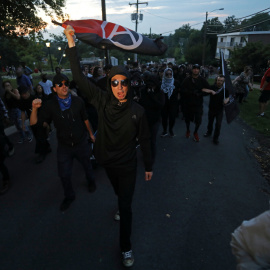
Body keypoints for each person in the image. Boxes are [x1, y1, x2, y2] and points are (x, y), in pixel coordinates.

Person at [64, 25, 153, 268]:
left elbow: (145, 139)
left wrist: (149, 164)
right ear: (109, 84)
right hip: (106, 160)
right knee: (118, 193)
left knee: (126, 206)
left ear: (129, 84)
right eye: (115, 83)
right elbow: (79, 78)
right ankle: (120, 202)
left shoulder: (138, 111)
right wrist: (72, 42)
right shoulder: (101, 100)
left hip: (127, 164)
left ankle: (126, 247)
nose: (120, 87)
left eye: (124, 82)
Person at [30, 73, 96, 211]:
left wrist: (90, 134)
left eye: (66, 83)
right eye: (60, 84)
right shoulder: (50, 105)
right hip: (64, 146)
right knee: (64, 174)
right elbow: (35, 124)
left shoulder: (78, 101)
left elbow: (85, 119)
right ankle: (69, 196)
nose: (64, 86)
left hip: (81, 142)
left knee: (87, 165)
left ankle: (91, 181)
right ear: (54, 88)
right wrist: (35, 109)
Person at [181, 64, 215, 142]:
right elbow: (182, 89)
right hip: (188, 103)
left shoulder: (202, 80)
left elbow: (208, 89)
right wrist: (191, 92)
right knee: (187, 119)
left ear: (199, 70)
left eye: (197, 69)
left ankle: (195, 132)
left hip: (198, 104)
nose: (196, 70)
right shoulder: (187, 80)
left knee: (198, 120)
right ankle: (188, 130)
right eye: (194, 69)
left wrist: (200, 94)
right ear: (192, 70)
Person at [203, 75, 229, 145]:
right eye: (218, 80)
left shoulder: (225, 90)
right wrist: (211, 91)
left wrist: (226, 100)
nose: (219, 82)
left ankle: (215, 138)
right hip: (211, 108)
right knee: (210, 122)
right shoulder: (212, 87)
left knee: (218, 124)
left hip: (219, 110)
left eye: (221, 81)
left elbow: (228, 97)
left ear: (223, 82)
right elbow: (203, 89)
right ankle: (209, 132)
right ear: (216, 80)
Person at [160, 68, 181, 137]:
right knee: (164, 118)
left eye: (170, 74)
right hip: (164, 103)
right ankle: (165, 130)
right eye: (167, 74)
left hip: (173, 103)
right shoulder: (161, 83)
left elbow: (179, 91)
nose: (169, 76)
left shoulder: (176, 82)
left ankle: (170, 129)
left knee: (172, 118)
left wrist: (178, 98)